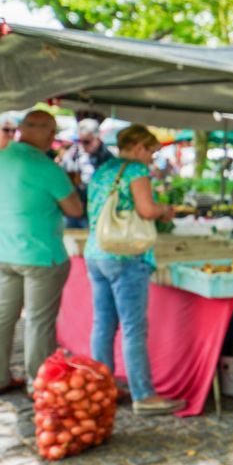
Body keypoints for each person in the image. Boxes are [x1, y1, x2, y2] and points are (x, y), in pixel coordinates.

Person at [84, 124, 183, 415]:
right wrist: (164, 209)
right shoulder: (136, 171)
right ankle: (143, 395)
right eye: (151, 151)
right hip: (126, 255)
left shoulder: (103, 169)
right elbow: (146, 210)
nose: (152, 158)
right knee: (132, 328)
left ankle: (102, 388)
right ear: (139, 147)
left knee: (103, 324)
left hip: (96, 251)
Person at [0, 111, 83, 393]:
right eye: (52, 133)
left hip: (4, 252)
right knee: (38, 321)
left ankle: (1, 377)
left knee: (3, 317)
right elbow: (75, 209)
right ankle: (40, 383)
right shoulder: (47, 168)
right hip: (41, 255)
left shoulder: (2, 157)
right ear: (46, 134)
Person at [61, 118, 115, 228]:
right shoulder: (72, 154)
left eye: (86, 142)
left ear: (98, 138)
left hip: (98, 210)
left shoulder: (109, 159)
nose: (82, 145)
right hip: (75, 208)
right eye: (79, 141)